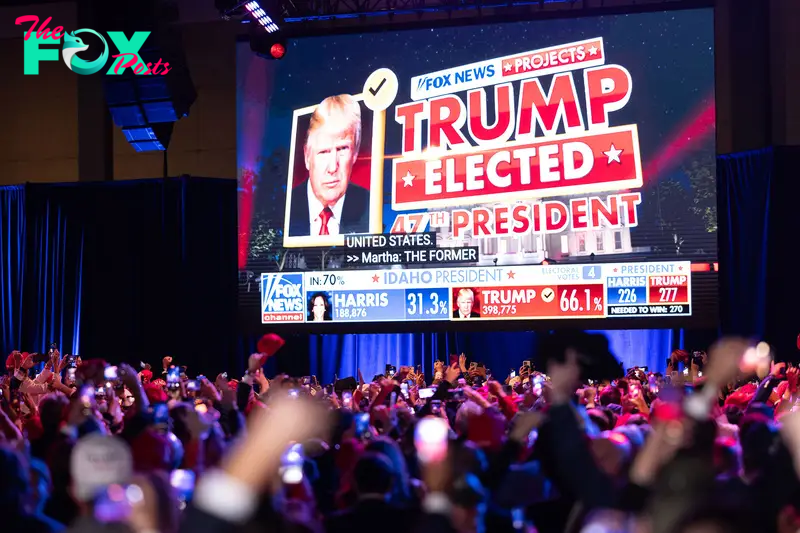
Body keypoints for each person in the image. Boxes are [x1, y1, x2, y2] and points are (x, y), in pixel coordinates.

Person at [287, 94, 370, 238]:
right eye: (324, 151)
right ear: (307, 156)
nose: (332, 167)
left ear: (355, 152)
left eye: (342, 149)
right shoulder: (280, 209)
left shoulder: (372, 208)